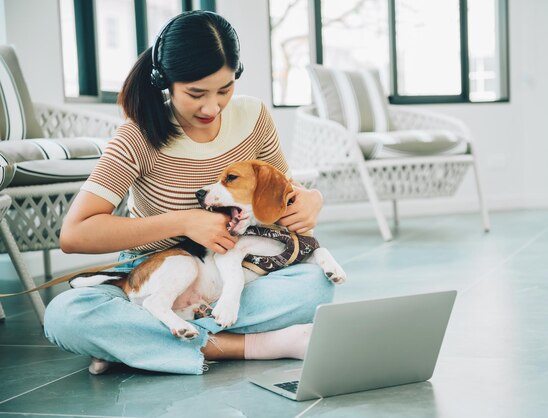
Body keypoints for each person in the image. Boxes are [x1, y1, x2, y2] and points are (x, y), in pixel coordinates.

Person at [43, 10, 334, 375]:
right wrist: (184, 221)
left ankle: (135, 341)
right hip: (150, 273)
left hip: (242, 271)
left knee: (316, 285)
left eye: (225, 90)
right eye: (196, 93)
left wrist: (312, 198)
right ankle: (249, 345)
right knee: (65, 315)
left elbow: (283, 190)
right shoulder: (137, 135)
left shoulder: (255, 116)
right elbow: (75, 234)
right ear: (165, 81)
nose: (212, 107)